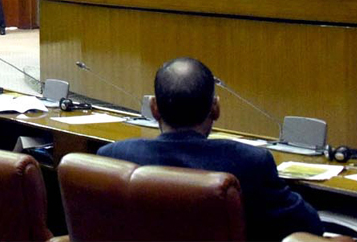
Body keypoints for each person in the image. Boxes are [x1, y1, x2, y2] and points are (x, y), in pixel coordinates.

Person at [98, 57, 323, 241]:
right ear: (215, 109)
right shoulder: (251, 163)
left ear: (154, 108)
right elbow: (309, 225)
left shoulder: (112, 159)